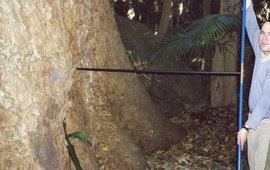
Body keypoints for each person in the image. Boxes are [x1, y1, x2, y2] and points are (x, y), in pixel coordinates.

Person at [237, 0, 270, 169]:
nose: (264, 37)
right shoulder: (260, 52)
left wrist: (246, 127)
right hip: (253, 120)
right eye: (263, 33)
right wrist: (248, 3)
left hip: (266, 125)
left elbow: (265, 101)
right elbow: (251, 26)